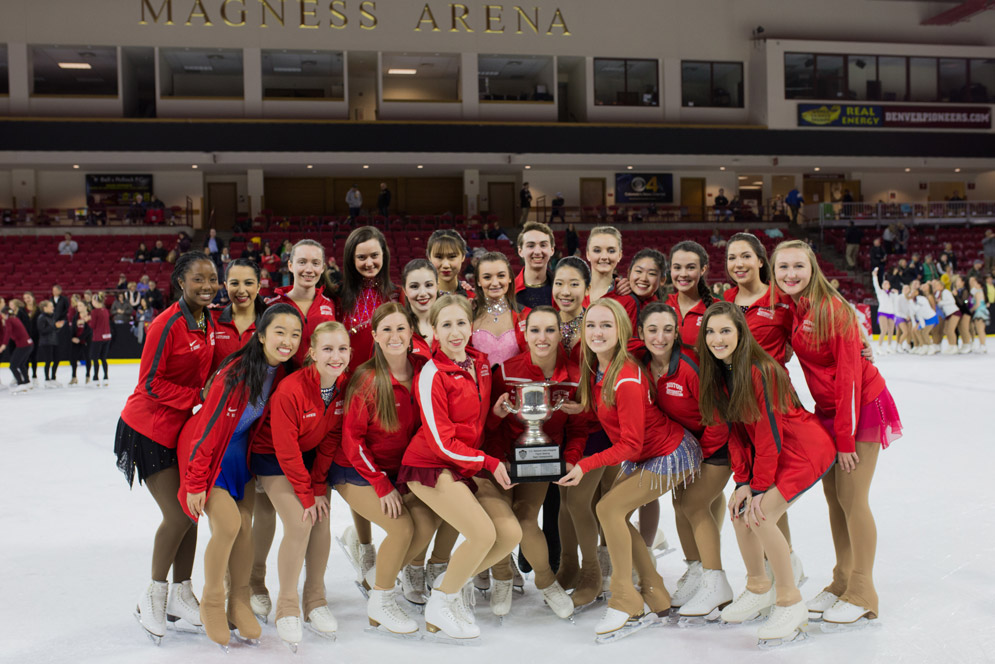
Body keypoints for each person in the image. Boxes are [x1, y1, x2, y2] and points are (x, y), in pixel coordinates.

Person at [772, 239, 902, 630]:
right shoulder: (795, 307)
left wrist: (845, 440)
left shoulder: (832, 310)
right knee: (834, 499)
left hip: (860, 406)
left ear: (813, 268)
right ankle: (842, 578)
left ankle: (863, 590)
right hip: (829, 411)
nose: (791, 274)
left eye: (798, 266)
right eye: (783, 268)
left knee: (852, 497)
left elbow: (847, 380)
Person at [557, 298, 702, 641]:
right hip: (647, 453)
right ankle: (655, 592)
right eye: (591, 325)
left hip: (670, 452)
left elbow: (631, 446)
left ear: (621, 330)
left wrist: (585, 464)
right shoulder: (600, 367)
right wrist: (577, 405)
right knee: (612, 511)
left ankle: (625, 599)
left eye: (606, 325)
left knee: (608, 508)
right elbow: (605, 410)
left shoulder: (626, 376)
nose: (597, 332)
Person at [696, 301, 835, 645]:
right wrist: (742, 482)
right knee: (740, 510)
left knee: (760, 515)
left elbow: (767, 435)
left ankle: (790, 600)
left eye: (725, 330)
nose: (717, 338)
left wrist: (759, 487)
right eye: (710, 332)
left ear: (741, 333)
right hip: (772, 449)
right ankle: (759, 587)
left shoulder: (759, 369)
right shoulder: (718, 372)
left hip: (803, 447)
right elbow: (737, 434)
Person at [178, 304, 301, 648]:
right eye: (280, 332)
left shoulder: (284, 373)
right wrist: (195, 482)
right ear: (261, 335)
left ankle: (239, 600)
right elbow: (207, 428)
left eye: (295, 334)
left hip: (240, 457)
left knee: (245, 528)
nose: (287, 340)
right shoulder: (235, 371)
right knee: (229, 525)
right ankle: (213, 600)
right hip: (208, 452)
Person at [397, 294, 518, 642]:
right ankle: (442, 602)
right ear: (433, 330)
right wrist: (488, 462)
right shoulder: (432, 374)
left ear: (472, 326)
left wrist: (494, 416)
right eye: (446, 325)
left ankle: (448, 585)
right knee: (482, 534)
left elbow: (474, 425)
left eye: (461, 323)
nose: (455, 332)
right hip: (430, 465)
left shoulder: (480, 365)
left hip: (464, 463)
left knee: (510, 534)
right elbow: (440, 442)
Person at [115, 251, 219, 644]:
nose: (207, 286)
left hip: (180, 431)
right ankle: (154, 593)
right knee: (178, 515)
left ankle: (181, 593)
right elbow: (150, 384)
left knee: (191, 513)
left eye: (212, 279)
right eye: (198, 279)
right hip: (147, 429)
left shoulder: (208, 320)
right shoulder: (167, 323)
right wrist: (198, 394)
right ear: (181, 282)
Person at [326, 305, 439, 634]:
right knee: (403, 529)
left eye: (401, 329)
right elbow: (352, 441)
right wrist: (382, 485)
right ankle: (382, 600)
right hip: (356, 471)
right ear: (374, 336)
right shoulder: (367, 378)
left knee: (428, 520)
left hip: (397, 471)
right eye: (386, 329)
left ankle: (375, 579)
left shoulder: (423, 369)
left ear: (411, 334)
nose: (394, 336)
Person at [249, 321, 349, 647]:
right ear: (312, 354)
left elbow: (331, 438)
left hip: (306, 458)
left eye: (343, 349)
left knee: (321, 517)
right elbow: (285, 449)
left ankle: (315, 599)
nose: (336, 356)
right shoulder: (290, 390)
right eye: (328, 349)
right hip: (272, 456)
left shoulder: (342, 387)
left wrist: (319, 487)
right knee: (300, 520)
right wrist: (307, 495)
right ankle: (287, 605)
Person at [631, 302, 733, 620]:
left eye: (668, 330)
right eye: (652, 330)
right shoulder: (642, 361)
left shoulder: (690, 366)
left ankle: (717, 581)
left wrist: (698, 458)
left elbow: (718, 421)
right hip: (684, 449)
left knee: (692, 505)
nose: (660, 337)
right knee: (679, 505)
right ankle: (697, 573)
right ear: (641, 333)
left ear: (677, 332)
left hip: (716, 449)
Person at [483, 306, 584, 620]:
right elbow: (489, 425)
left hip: (540, 458)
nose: (542, 338)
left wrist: (569, 461)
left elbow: (578, 428)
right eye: (535, 330)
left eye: (550, 330)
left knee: (525, 520)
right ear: (524, 335)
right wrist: (498, 457)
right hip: (499, 459)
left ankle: (546, 581)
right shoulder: (505, 371)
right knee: (500, 524)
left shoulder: (574, 375)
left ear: (560, 334)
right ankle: (501, 576)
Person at [266, 239, 337, 368]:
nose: (309, 269)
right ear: (290, 266)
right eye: (302, 262)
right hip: (283, 383)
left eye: (315, 263)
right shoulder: (272, 306)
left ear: (322, 268)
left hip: (321, 381)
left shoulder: (331, 304)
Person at [339, 226, 399, 373]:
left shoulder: (397, 294)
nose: (369, 263)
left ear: (383, 255)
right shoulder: (337, 296)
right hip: (349, 380)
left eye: (374, 255)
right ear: (351, 260)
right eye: (361, 257)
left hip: (389, 380)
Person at [471, 251, 526, 367]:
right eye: (487, 277)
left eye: (501, 276)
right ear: (478, 281)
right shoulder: (467, 314)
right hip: (477, 384)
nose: (495, 283)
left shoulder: (526, 315)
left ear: (510, 278)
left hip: (517, 383)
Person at [212, 259, 267, 373]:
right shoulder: (211, 319)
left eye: (248, 283)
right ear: (226, 286)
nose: (241, 290)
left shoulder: (270, 323)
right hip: (217, 390)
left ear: (258, 286)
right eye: (235, 283)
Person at [666, 241, 713, 347]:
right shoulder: (664, 306)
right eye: (677, 268)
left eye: (691, 267)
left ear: (702, 269)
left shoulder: (716, 308)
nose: (683, 274)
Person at [608, 248, 665, 333]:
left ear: (662, 280)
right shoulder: (615, 296)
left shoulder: (662, 311)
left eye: (651, 274)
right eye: (638, 271)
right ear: (629, 273)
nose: (643, 278)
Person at [401, 259, 439, 356]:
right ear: (405, 290)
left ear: (437, 287)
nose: (422, 293)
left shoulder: (451, 322)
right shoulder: (398, 328)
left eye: (429, 285)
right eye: (414, 286)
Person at [514, 221, 556, 310]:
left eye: (543, 245)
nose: (537, 252)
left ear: (552, 250)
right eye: (531, 246)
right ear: (520, 251)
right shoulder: (508, 292)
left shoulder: (562, 291)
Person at [426, 229, 474, 298]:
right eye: (439, 257)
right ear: (429, 257)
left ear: (463, 256)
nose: (446, 265)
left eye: (452, 256)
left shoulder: (473, 299)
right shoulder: (421, 298)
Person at [586, 226, 624, 302]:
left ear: (619, 256)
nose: (604, 257)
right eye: (597, 250)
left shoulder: (627, 298)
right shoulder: (574, 292)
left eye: (611, 251)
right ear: (588, 255)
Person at [0, 306, 33, 391]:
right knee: (21, 364)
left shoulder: (9, 320)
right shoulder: (15, 318)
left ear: (4, 314)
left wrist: (4, 344)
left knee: (13, 366)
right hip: (29, 344)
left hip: (23, 345)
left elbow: (8, 332)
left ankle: (21, 383)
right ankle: (27, 382)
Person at [36, 299, 63, 387]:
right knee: (48, 361)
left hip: (54, 341)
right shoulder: (41, 318)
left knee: (56, 360)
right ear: (45, 308)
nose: (53, 308)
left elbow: (53, 329)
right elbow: (42, 331)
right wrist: (55, 326)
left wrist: (58, 327)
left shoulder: (52, 316)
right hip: (46, 342)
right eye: (51, 306)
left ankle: (53, 378)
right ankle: (47, 380)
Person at [89, 292, 111, 386]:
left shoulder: (94, 312)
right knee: (103, 358)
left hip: (98, 338)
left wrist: (87, 320)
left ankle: (95, 378)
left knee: (95, 358)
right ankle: (105, 377)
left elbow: (92, 325)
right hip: (107, 337)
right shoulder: (105, 310)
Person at [68, 300, 92, 386]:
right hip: (75, 340)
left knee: (87, 358)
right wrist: (72, 338)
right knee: (73, 358)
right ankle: (74, 376)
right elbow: (72, 328)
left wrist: (80, 338)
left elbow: (90, 330)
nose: (78, 307)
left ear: (86, 307)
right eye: (78, 306)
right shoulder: (75, 317)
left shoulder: (90, 316)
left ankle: (88, 376)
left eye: (81, 305)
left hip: (86, 340)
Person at [969, 275, 989, 353]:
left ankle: (982, 346)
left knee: (980, 330)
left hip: (979, 312)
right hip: (984, 311)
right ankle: (983, 345)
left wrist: (971, 309)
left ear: (979, 284)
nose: (974, 284)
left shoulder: (977, 292)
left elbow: (977, 304)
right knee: (982, 330)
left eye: (976, 283)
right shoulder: (981, 291)